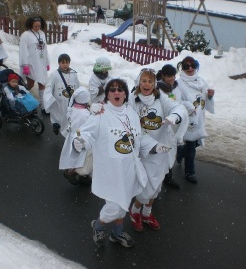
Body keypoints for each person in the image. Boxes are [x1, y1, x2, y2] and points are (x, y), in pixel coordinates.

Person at [76, 78, 169, 248]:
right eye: (112, 90)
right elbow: (88, 134)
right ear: (108, 94)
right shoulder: (101, 114)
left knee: (124, 201)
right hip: (110, 170)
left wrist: (156, 146)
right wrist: (82, 142)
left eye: (120, 89)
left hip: (128, 169)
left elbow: (138, 138)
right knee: (115, 205)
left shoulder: (131, 113)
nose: (116, 92)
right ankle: (99, 225)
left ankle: (117, 233)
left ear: (125, 94)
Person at [129, 68, 188, 232]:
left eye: (150, 81)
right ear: (138, 82)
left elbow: (179, 108)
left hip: (161, 149)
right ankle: (135, 211)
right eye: (143, 81)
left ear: (154, 83)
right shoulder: (132, 100)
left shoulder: (161, 98)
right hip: (142, 151)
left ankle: (147, 213)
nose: (147, 84)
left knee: (156, 185)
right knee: (146, 185)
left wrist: (173, 117)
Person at [176, 56, 215, 184]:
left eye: (192, 65)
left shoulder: (200, 80)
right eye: (186, 66)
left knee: (196, 141)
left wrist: (209, 95)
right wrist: (188, 107)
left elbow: (204, 95)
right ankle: (190, 172)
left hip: (199, 116)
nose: (190, 68)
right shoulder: (179, 83)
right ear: (182, 67)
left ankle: (180, 152)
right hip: (188, 118)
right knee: (191, 144)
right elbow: (177, 100)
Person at [156, 64, 183, 189]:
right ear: (163, 76)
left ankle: (168, 176)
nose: (172, 78)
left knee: (171, 150)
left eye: (173, 75)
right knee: (162, 151)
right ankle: (157, 181)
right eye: (169, 76)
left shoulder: (175, 87)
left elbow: (179, 102)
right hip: (162, 123)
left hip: (173, 123)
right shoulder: (158, 89)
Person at [60, 86, 92, 186]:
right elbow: (84, 128)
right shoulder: (83, 114)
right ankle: (72, 172)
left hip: (74, 135)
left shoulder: (74, 108)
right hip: (80, 137)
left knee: (78, 157)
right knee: (83, 157)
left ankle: (80, 175)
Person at [19, 16, 50, 114]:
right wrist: (25, 65)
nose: (37, 28)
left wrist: (47, 62)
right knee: (30, 84)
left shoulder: (42, 34)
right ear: (31, 25)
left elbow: (45, 49)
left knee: (42, 83)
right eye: (35, 26)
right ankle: (22, 98)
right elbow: (23, 50)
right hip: (31, 63)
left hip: (40, 62)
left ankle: (43, 106)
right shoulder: (26, 35)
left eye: (39, 26)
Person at [43, 53, 80, 136]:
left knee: (69, 118)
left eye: (67, 62)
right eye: (63, 62)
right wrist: (48, 98)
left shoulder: (73, 74)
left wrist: (80, 97)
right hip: (59, 101)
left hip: (70, 101)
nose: (65, 64)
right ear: (59, 63)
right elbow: (49, 86)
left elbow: (78, 86)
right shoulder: (54, 75)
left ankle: (67, 136)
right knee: (59, 116)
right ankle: (56, 125)